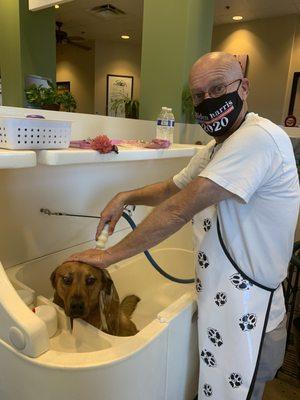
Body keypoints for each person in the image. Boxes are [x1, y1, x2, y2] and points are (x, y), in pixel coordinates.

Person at [67, 52, 300, 399]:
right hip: (222, 306)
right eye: (199, 95)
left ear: (244, 87)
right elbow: (171, 188)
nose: (208, 100)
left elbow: (179, 208)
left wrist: (106, 257)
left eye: (218, 88)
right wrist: (124, 197)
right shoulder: (214, 150)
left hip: (255, 317)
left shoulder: (258, 139)